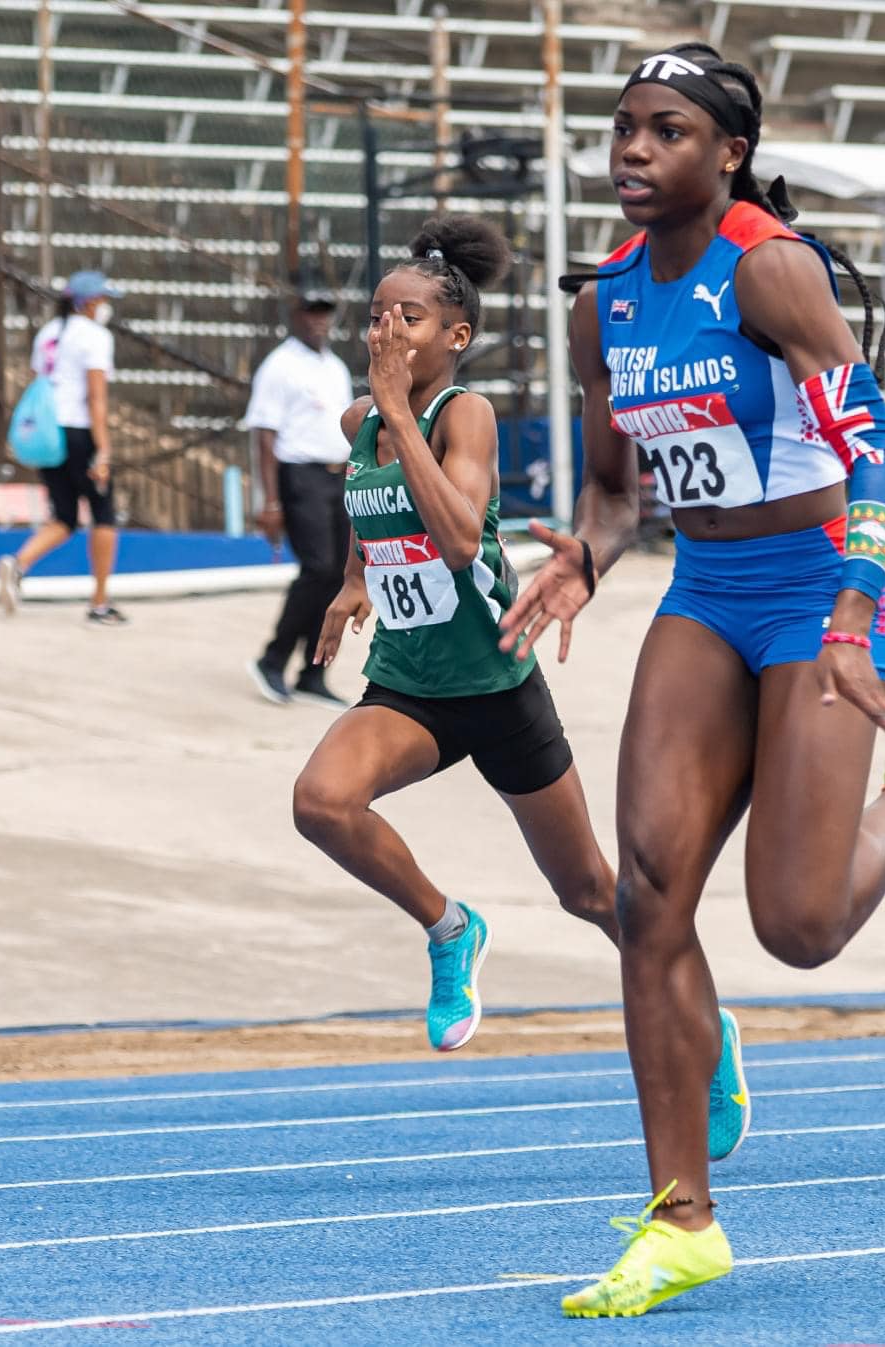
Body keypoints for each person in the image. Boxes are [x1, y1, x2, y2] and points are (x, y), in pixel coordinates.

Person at [497, 44, 885, 1319]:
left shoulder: (768, 268)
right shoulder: (601, 303)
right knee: (648, 898)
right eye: (621, 129)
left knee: (797, 927)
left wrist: (859, 591)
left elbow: (875, 442)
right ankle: (681, 1221)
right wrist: (584, 556)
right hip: (705, 594)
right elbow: (619, 491)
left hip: (824, 586)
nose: (631, 152)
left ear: (726, 153)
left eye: (664, 130)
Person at [290, 216, 751, 1162]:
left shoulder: (464, 414)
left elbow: (459, 538)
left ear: (453, 337)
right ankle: (450, 927)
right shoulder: (362, 424)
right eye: (377, 316)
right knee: (320, 802)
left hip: (497, 685)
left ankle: (709, 1037)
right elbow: (369, 502)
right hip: (409, 684)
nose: (385, 333)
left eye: (408, 319)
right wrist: (348, 581)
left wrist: (394, 410)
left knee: (596, 893)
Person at [244, 291, 356, 706]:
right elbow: (265, 433)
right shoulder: (280, 365)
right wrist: (270, 500)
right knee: (317, 567)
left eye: (325, 313)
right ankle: (272, 659)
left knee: (339, 573)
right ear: (296, 316)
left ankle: (314, 670)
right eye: (311, 312)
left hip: (336, 474)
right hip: (301, 474)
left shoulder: (335, 367)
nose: (318, 320)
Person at [0, 269, 126, 624]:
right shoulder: (95, 337)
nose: (107, 306)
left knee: (64, 515)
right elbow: (96, 398)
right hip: (80, 431)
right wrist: (103, 450)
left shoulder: (48, 334)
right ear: (90, 302)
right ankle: (99, 602)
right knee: (104, 514)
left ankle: (18, 564)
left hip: (50, 435)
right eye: (103, 300)